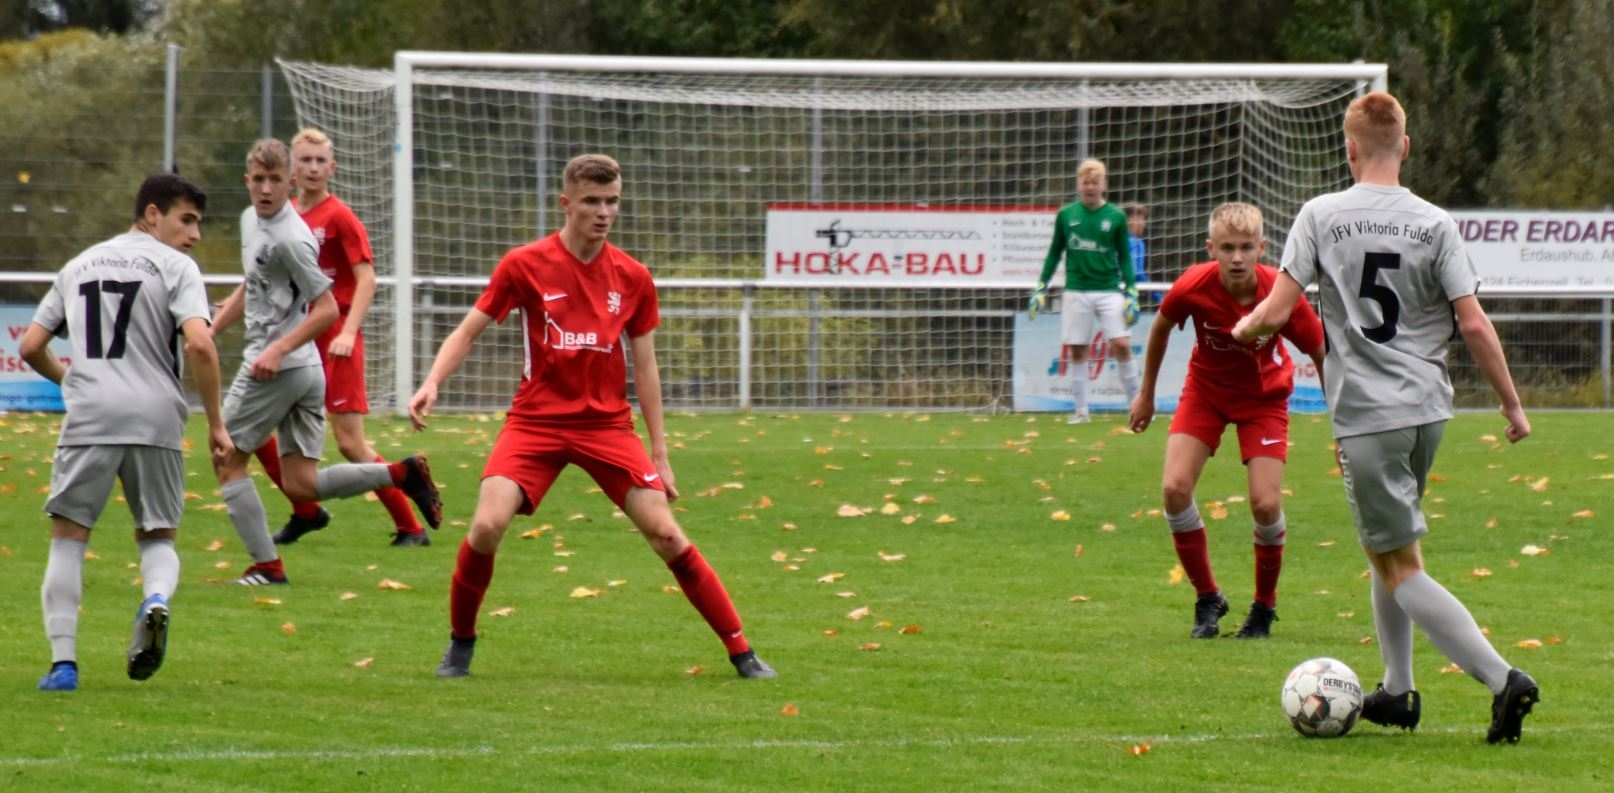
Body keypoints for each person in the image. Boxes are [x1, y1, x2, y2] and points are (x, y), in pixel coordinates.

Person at [1232, 91, 1539, 743]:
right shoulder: (1435, 222)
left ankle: (1503, 678)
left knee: (1400, 566)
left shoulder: (1321, 214)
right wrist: (1511, 403)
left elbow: (1277, 311)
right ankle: (1398, 690)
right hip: (1428, 410)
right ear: (1404, 146)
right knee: (1389, 550)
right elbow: (1473, 323)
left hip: (1370, 416)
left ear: (1348, 149)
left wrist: (1245, 328)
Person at [409, 153, 776, 680]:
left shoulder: (633, 276)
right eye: (592, 202)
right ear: (566, 203)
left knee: (667, 534)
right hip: (535, 423)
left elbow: (645, 368)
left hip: (607, 427)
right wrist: (432, 381)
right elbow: (468, 331)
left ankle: (742, 652)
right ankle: (460, 645)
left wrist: (661, 454)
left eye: (612, 202)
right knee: (486, 526)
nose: (604, 212)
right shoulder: (524, 264)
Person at [21, 174, 232, 691]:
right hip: (155, 417)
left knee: (69, 538)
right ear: (153, 214)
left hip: (91, 415)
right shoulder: (177, 267)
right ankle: (156, 599)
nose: (195, 235)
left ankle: (63, 666)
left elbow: (30, 346)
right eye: (187, 220)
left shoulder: (79, 265)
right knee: (157, 534)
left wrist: (72, 382)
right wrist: (216, 424)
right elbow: (200, 345)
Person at [210, 138, 442, 586]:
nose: (265, 188)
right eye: (258, 179)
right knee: (302, 482)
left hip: (289, 358)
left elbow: (333, 303)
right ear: (248, 180)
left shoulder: (298, 233)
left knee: (228, 458)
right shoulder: (253, 221)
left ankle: (268, 566)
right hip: (305, 361)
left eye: (275, 180)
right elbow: (255, 279)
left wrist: (286, 347)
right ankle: (396, 474)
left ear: (289, 181)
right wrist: (217, 325)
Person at [1129, 203, 1325, 640]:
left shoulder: (1281, 293)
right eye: (1228, 248)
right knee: (1174, 489)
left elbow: (1320, 352)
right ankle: (1208, 597)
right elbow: (1160, 328)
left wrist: (1345, 425)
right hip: (1206, 393)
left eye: (1246, 248)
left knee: (1265, 505)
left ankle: (1264, 608)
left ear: (1262, 248)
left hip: (1264, 400)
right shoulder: (1193, 285)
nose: (1237, 258)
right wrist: (1146, 395)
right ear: (1211, 249)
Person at [251, 127, 431, 548]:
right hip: (298, 337)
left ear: (332, 168)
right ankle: (306, 512)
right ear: (291, 169)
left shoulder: (340, 217)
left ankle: (411, 527)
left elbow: (367, 279)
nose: (313, 168)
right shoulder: (283, 218)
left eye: (320, 161)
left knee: (350, 443)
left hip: (336, 339)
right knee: (255, 429)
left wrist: (348, 332)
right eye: (305, 160)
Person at [1029, 159, 1140, 424]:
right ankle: (1081, 411)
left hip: (1108, 290)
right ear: (1079, 184)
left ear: (1104, 184)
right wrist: (1041, 286)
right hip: (1076, 291)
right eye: (1086, 182)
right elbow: (1054, 252)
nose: (1090, 187)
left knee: (1122, 345)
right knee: (1078, 350)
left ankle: (1138, 407)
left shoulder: (1116, 217)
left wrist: (1132, 291)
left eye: (1095, 182)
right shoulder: (1066, 215)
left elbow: (1125, 257)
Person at [1123, 202, 1149, 304]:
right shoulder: (1135, 243)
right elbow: (1137, 272)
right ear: (1130, 221)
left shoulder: (1138, 243)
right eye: (1141, 219)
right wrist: (1159, 297)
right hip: (1123, 294)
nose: (1143, 223)